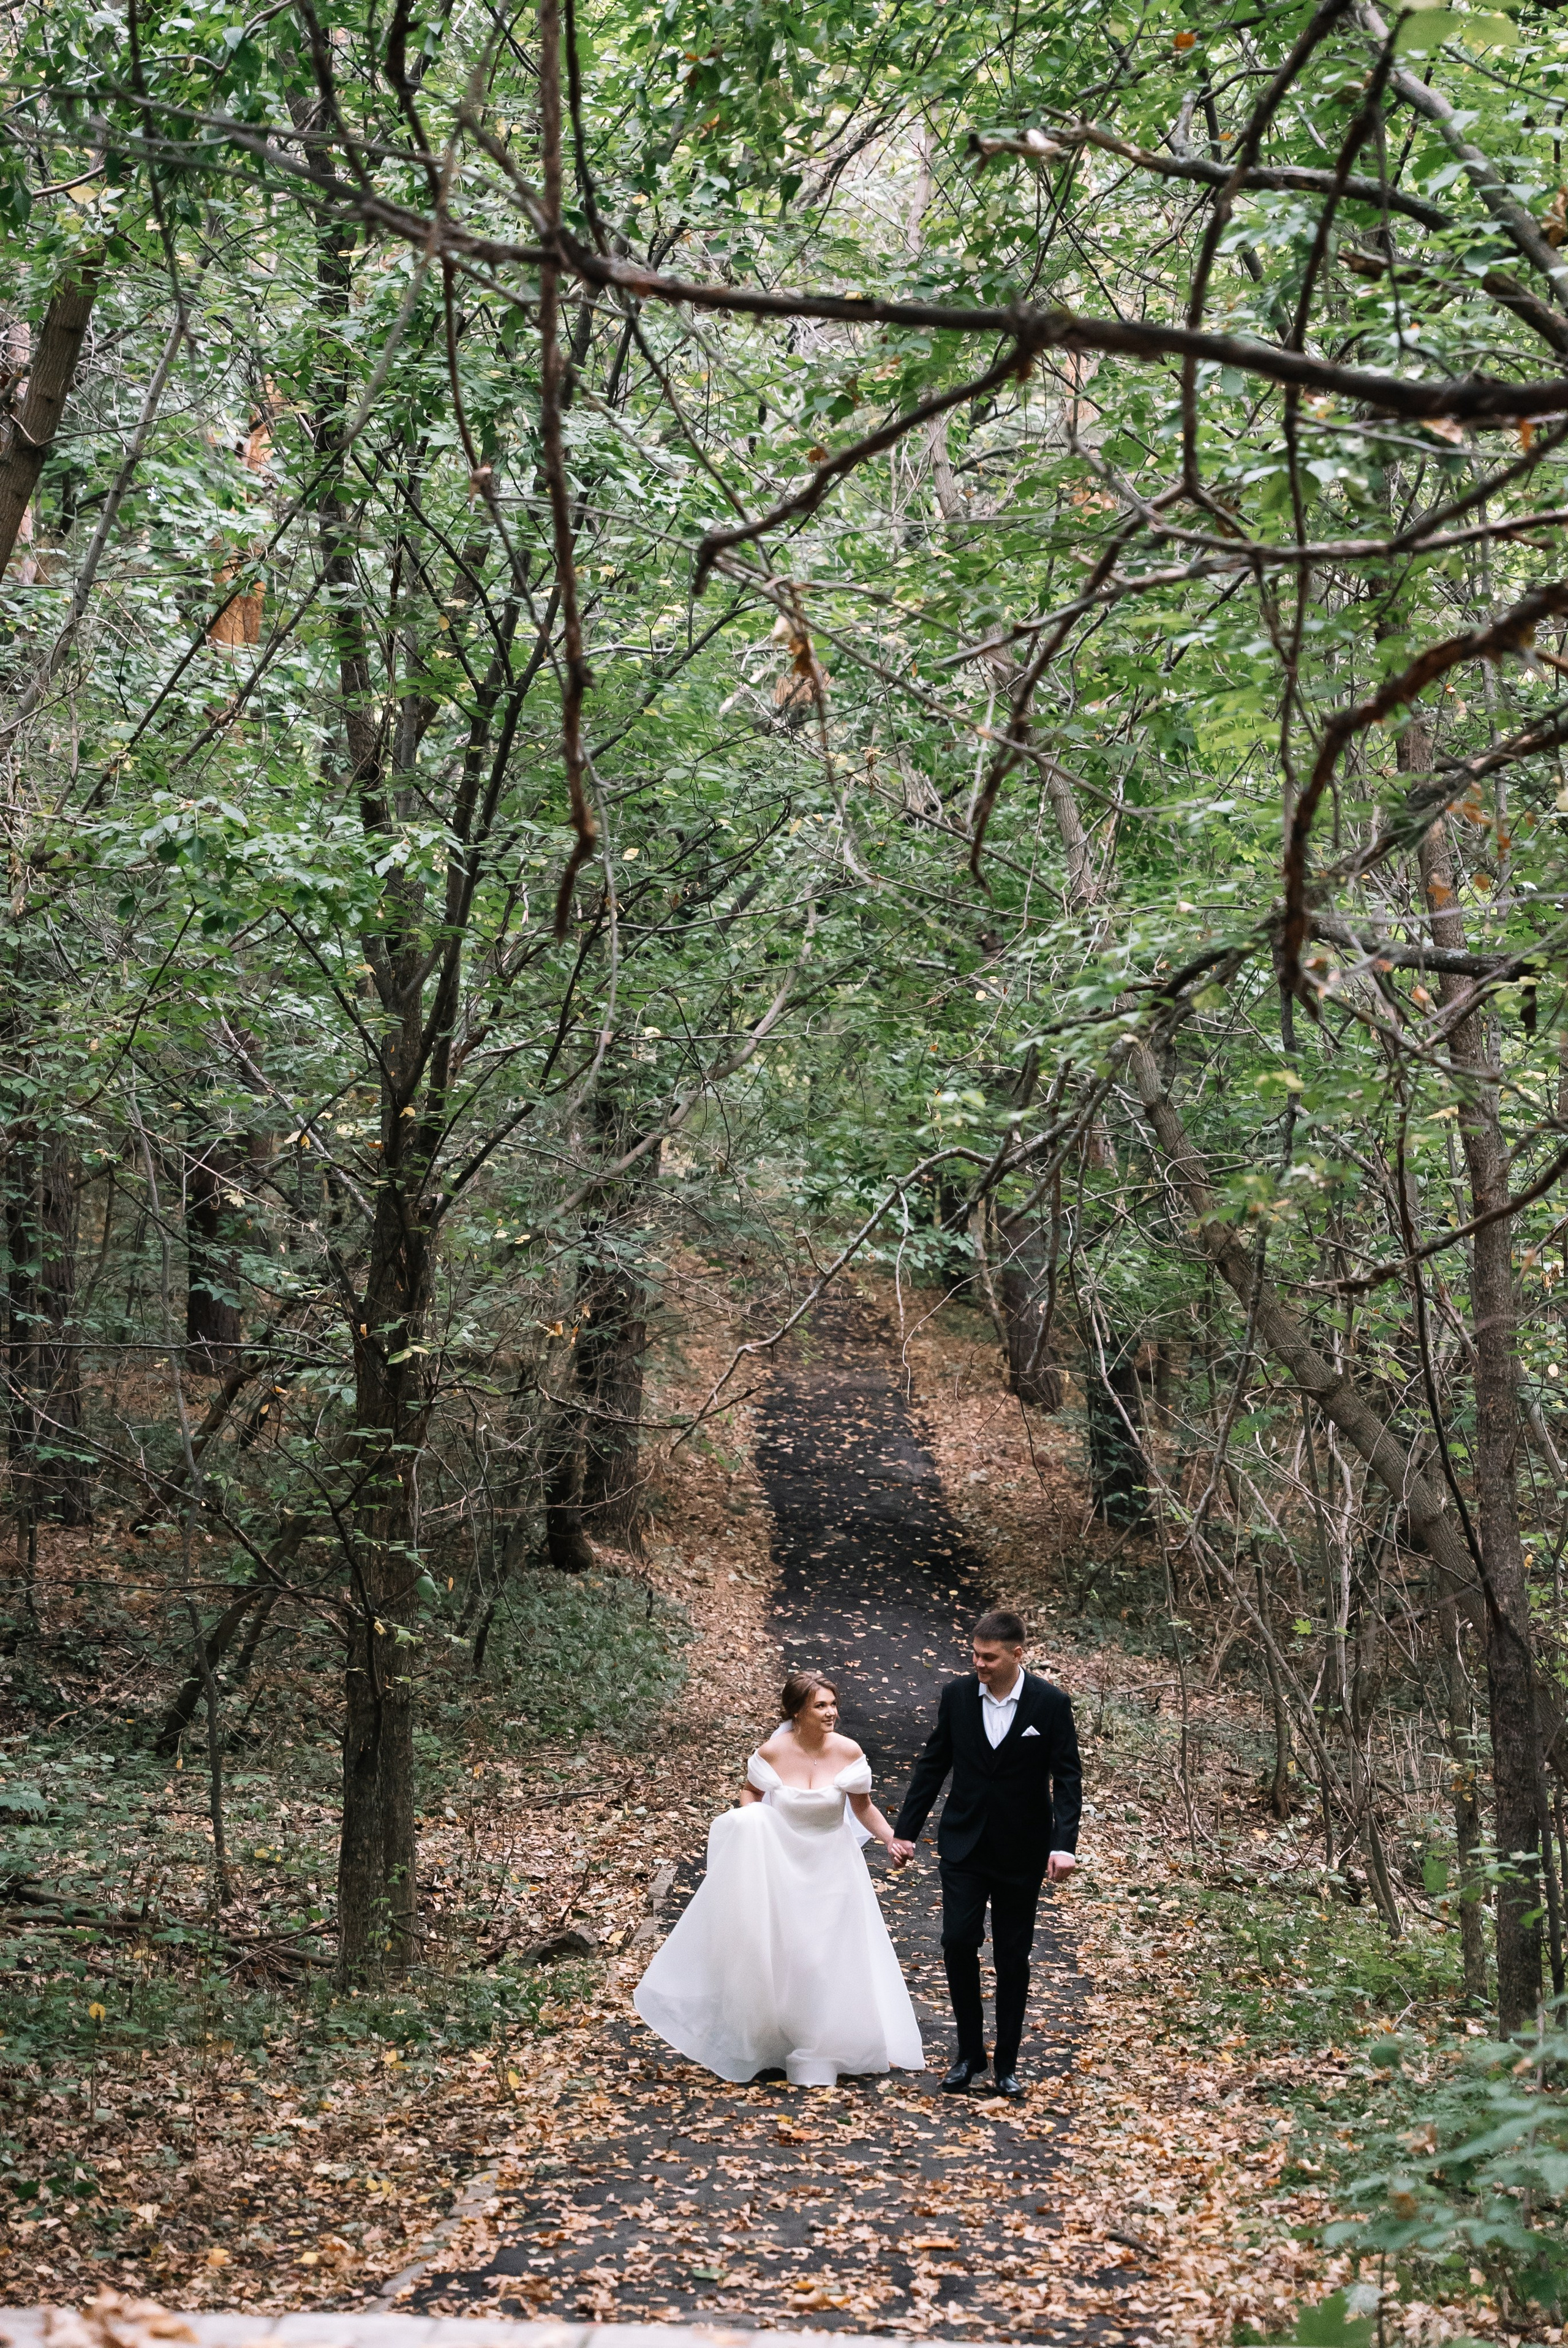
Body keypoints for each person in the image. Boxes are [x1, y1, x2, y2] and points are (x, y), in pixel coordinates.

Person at [633, 1669, 925, 2086]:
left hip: (832, 1867)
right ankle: (777, 2040)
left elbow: (862, 1808)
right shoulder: (773, 1751)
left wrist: (891, 1839)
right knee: (789, 1955)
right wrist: (752, 1822)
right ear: (797, 1711)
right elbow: (751, 1792)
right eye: (820, 1705)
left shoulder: (848, 1752)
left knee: (823, 1959)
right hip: (781, 1865)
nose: (831, 1712)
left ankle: (820, 2047)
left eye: (832, 1704)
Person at [889, 1609, 1081, 2102]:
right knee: (957, 1941)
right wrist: (906, 1832)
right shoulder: (957, 1696)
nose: (978, 1663)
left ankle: (1008, 2065)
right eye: (974, 1654)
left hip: (1022, 1850)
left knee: (1013, 1956)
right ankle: (969, 2052)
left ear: (1018, 1654)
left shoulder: (1050, 1703)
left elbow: (1068, 1779)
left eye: (989, 1656)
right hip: (964, 1845)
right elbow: (934, 1764)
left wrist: (1063, 1844)